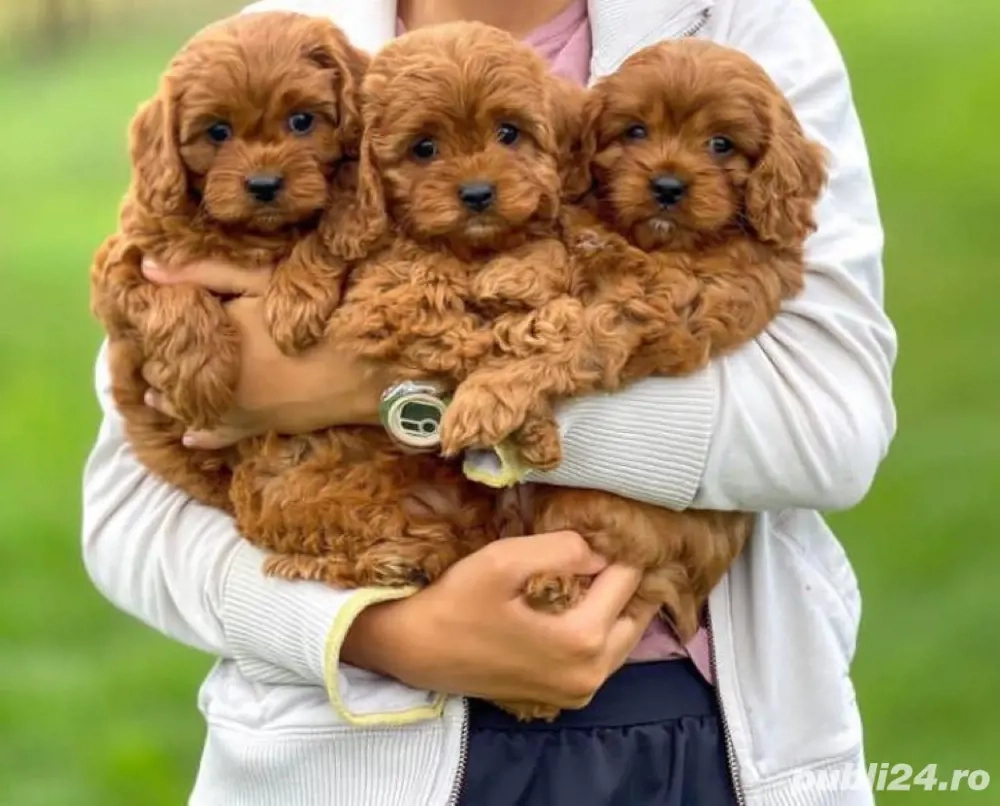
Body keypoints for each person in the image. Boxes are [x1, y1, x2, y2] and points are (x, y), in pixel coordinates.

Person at [81, 0, 897, 803]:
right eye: (424, 148)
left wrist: (383, 390)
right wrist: (372, 633)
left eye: (513, 136)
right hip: (346, 749)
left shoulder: (749, 22)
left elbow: (831, 429)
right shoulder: (282, 38)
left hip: (701, 715)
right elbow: (127, 513)